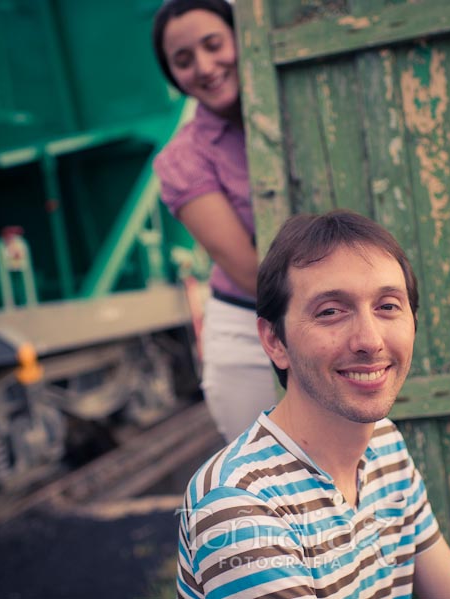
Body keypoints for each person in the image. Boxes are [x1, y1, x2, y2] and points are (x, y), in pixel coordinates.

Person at [176, 210, 450, 598]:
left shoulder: (384, 445)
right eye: (331, 312)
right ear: (274, 341)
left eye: (387, 306)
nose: (369, 340)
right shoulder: (239, 509)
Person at [152, 0, 278, 441]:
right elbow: (251, 274)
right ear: (173, 76)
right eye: (183, 61)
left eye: (213, 45)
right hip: (250, 331)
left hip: (348, 318)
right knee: (267, 483)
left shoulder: (304, 104)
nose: (204, 67)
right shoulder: (182, 160)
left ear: (242, 38)